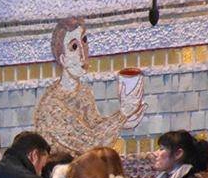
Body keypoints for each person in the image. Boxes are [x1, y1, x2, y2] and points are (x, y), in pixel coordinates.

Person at [33, 18, 144, 154]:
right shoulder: (51, 107)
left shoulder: (83, 91)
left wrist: (125, 121)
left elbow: (95, 126)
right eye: (74, 47)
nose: (83, 53)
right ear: (63, 59)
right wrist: (122, 116)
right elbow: (90, 143)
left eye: (84, 41)